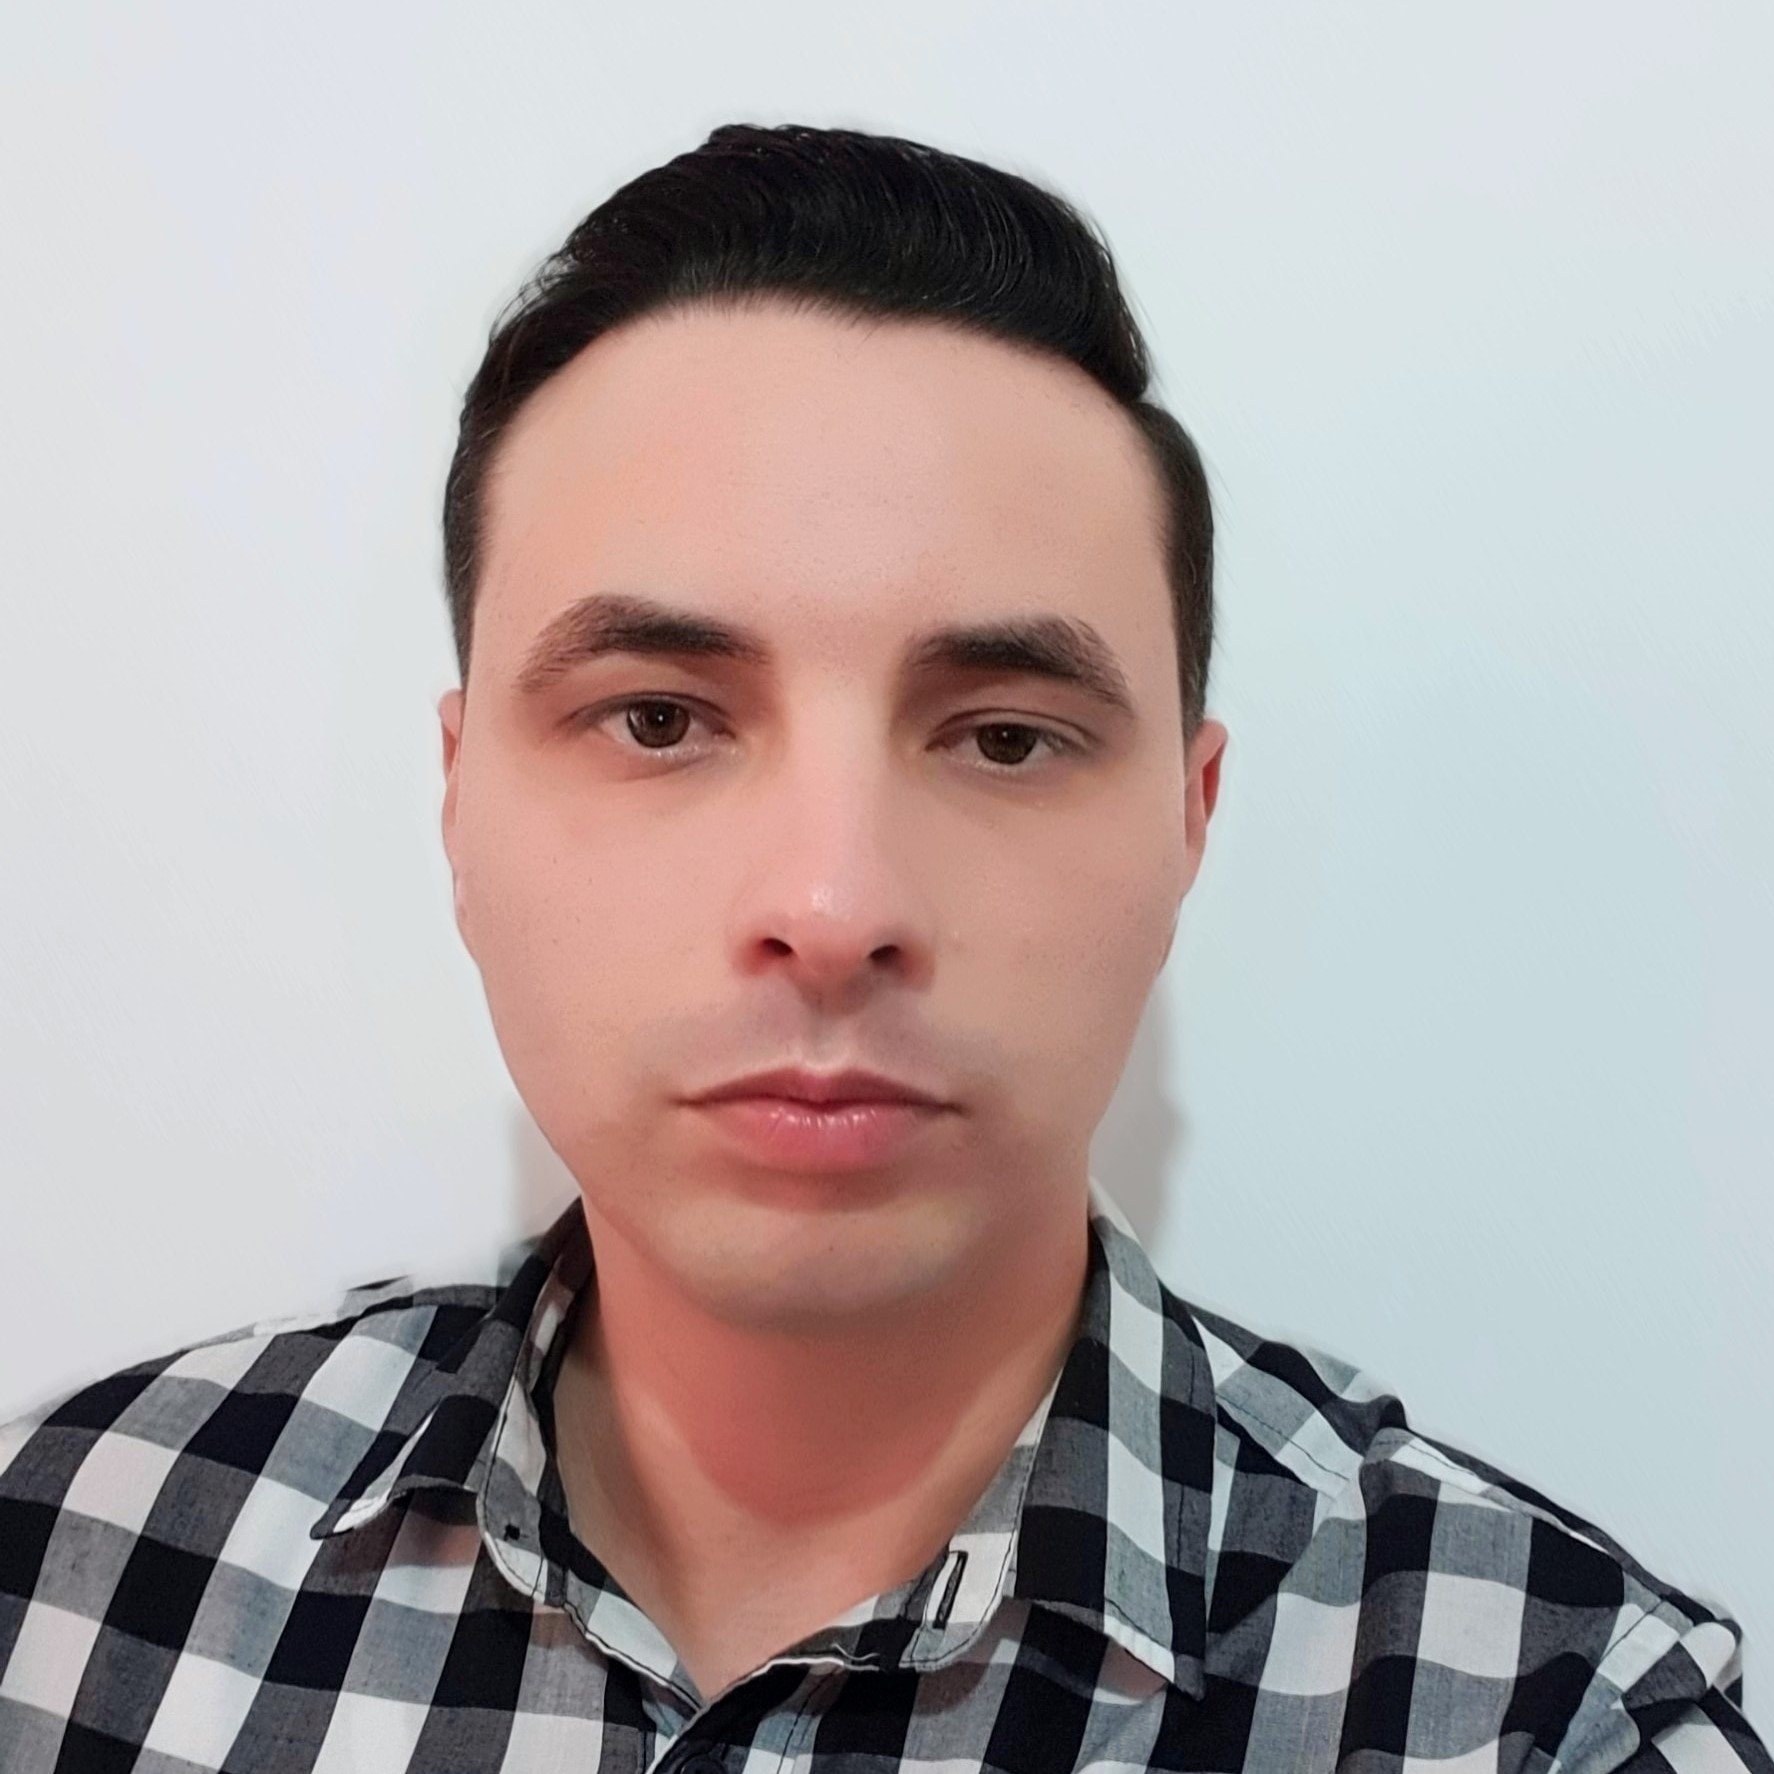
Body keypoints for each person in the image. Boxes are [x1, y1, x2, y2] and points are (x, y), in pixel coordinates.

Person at [1, 120, 1765, 1774]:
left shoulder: (1552, 1718)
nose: (835, 907)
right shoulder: (71, 1566)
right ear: (458, 802)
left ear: (1188, 820)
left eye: (1001, 736)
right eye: (659, 718)